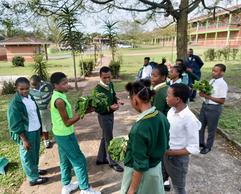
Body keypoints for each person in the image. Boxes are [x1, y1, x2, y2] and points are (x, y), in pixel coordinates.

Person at [50, 72, 100, 194]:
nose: (67, 85)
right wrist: (84, 112)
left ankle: (66, 185)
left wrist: (68, 87)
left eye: (67, 82)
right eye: (64, 83)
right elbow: (67, 122)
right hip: (65, 134)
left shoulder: (57, 95)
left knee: (65, 160)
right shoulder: (59, 101)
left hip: (59, 133)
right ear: (55, 85)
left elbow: (51, 108)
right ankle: (85, 189)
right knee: (79, 160)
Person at [121, 79, 169, 194]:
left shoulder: (139, 128)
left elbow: (140, 165)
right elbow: (165, 144)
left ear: (136, 100)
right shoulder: (161, 116)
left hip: (142, 176)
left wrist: (131, 190)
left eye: (130, 99)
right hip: (156, 170)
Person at [7, 77, 48, 186]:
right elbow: (15, 124)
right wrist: (24, 139)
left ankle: (35, 170)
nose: (24, 91)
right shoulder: (15, 104)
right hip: (25, 133)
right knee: (27, 155)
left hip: (35, 129)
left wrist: (39, 130)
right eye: (21, 89)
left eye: (27, 88)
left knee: (34, 152)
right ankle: (33, 178)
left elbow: (35, 114)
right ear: (16, 88)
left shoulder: (30, 97)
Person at [164, 83, 201, 194]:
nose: (166, 98)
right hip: (165, 154)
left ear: (177, 99)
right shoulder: (171, 111)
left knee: (179, 188)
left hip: (178, 160)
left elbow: (194, 148)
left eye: (168, 95)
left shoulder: (190, 119)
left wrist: (172, 153)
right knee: (161, 178)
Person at [94, 66, 124, 172]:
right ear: (100, 76)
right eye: (104, 78)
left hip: (111, 114)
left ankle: (101, 158)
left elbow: (113, 94)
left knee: (105, 136)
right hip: (103, 116)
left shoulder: (110, 84)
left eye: (109, 77)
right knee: (109, 138)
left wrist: (117, 100)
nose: (107, 80)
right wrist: (109, 107)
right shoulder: (97, 90)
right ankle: (113, 162)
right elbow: (97, 107)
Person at [199, 64, 228, 154]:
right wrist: (202, 93)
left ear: (222, 72)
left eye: (215, 71)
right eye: (213, 70)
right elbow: (207, 92)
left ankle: (208, 146)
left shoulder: (223, 84)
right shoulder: (212, 81)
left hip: (214, 108)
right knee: (200, 126)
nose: (213, 72)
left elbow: (222, 101)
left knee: (211, 129)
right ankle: (201, 142)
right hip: (205, 106)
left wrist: (208, 96)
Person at [151, 64, 171, 191]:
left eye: (155, 75)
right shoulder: (166, 88)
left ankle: (163, 179)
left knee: (162, 152)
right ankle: (165, 178)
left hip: (161, 126)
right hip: (166, 124)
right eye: (151, 75)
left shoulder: (159, 91)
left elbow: (155, 112)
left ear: (163, 77)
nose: (152, 77)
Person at [30, 75, 53, 149]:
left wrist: (51, 103)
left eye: (35, 85)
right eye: (32, 85)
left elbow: (53, 93)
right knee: (44, 127)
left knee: (53, 123)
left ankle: (59, 136)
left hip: (49, 109)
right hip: (39, 112)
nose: (34, 87)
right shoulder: (30, 91)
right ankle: (46, 141)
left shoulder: (47, 86)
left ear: (40, 82)